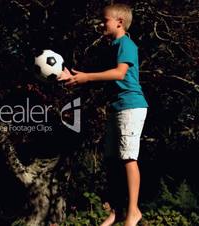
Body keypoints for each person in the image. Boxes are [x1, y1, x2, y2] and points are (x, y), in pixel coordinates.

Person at [58, 3, 148, 226]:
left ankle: (133, 211)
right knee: (112, 162)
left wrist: (87, 77)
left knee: (128, 158)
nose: (101, 23)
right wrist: (74, 76)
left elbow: (119, 74)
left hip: (131, 105)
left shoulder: (126, 44)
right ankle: (116, 213)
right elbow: (100, 76)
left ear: (119, 22)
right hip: (117, 107)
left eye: (105, 20)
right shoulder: (112, 47)